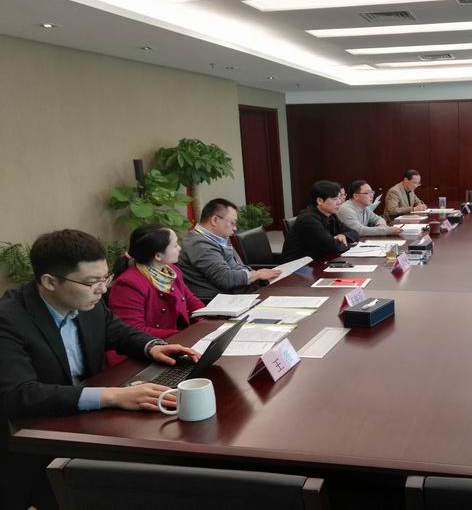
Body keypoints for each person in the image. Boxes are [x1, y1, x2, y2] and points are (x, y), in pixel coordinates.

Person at [0, 229, 200, 509]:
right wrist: (112, 396)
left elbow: (116, 331)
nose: (103, 289)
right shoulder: (9, 319)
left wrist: (152, 346)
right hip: (37, 439)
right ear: (49, 282)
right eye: (92, 282)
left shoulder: (86, 301)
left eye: (105, 278)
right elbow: (19, 394)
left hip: (88, 423)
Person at [107, 224, 204, 366]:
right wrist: (183, 334)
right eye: (174, 245)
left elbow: (190, 300)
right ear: (158, 256)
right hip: (142, 355)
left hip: (175, 342)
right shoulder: (128, 284)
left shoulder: (171, 271)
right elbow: (134, 330)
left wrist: (205, 321)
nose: (179, 248)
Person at [178, 198, 281, 302]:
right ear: (215, 220)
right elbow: (224, 278)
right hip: (219, 300)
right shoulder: (198, 244)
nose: (235, 228)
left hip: (235, 292)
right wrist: (257, 274)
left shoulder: (218, 237)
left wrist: (256, 276)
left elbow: (234, 266)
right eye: (232, 223)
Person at [282, 180, 359, 262]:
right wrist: (346, 243)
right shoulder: (308, 219)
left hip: (318, 260)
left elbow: (354, 233)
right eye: (335, 199)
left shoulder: (330, 215)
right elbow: (333, 247)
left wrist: (343, 235)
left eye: (339, 198)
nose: (339, 202)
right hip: (299, 266)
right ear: (320, 201)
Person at [337, 180, 404, 237]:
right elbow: (359, 231)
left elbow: (378, 219)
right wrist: (388, 230)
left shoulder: (365, 208)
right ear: (356, 196)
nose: (372, 195)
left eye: (372, 192)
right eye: (368, 193)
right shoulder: (346, 209)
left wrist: (381, 225)